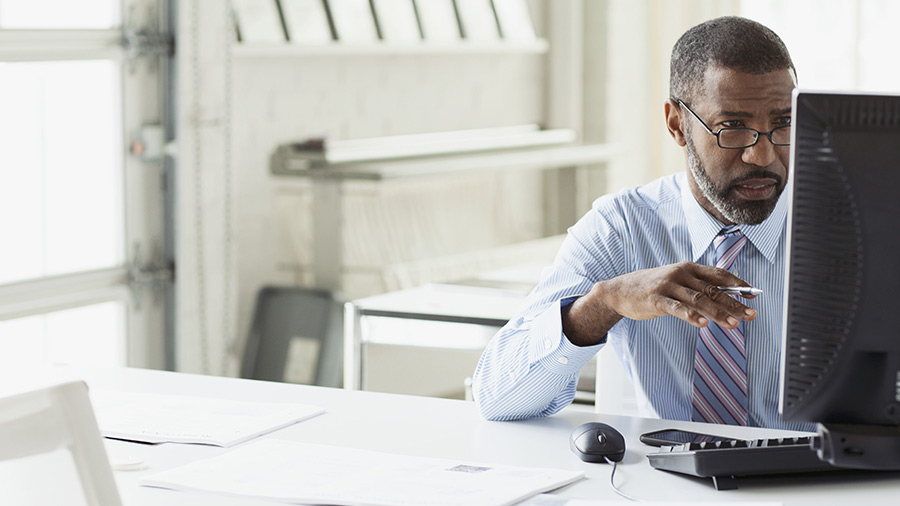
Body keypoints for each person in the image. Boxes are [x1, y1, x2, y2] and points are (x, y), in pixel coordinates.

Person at [472, 16, 815, 432]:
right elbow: (496, 396)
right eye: (733, 128)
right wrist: (602, 304)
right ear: (677, 125)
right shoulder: (620, 228)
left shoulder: (851, 226)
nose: (762, 157)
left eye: (782, 123)